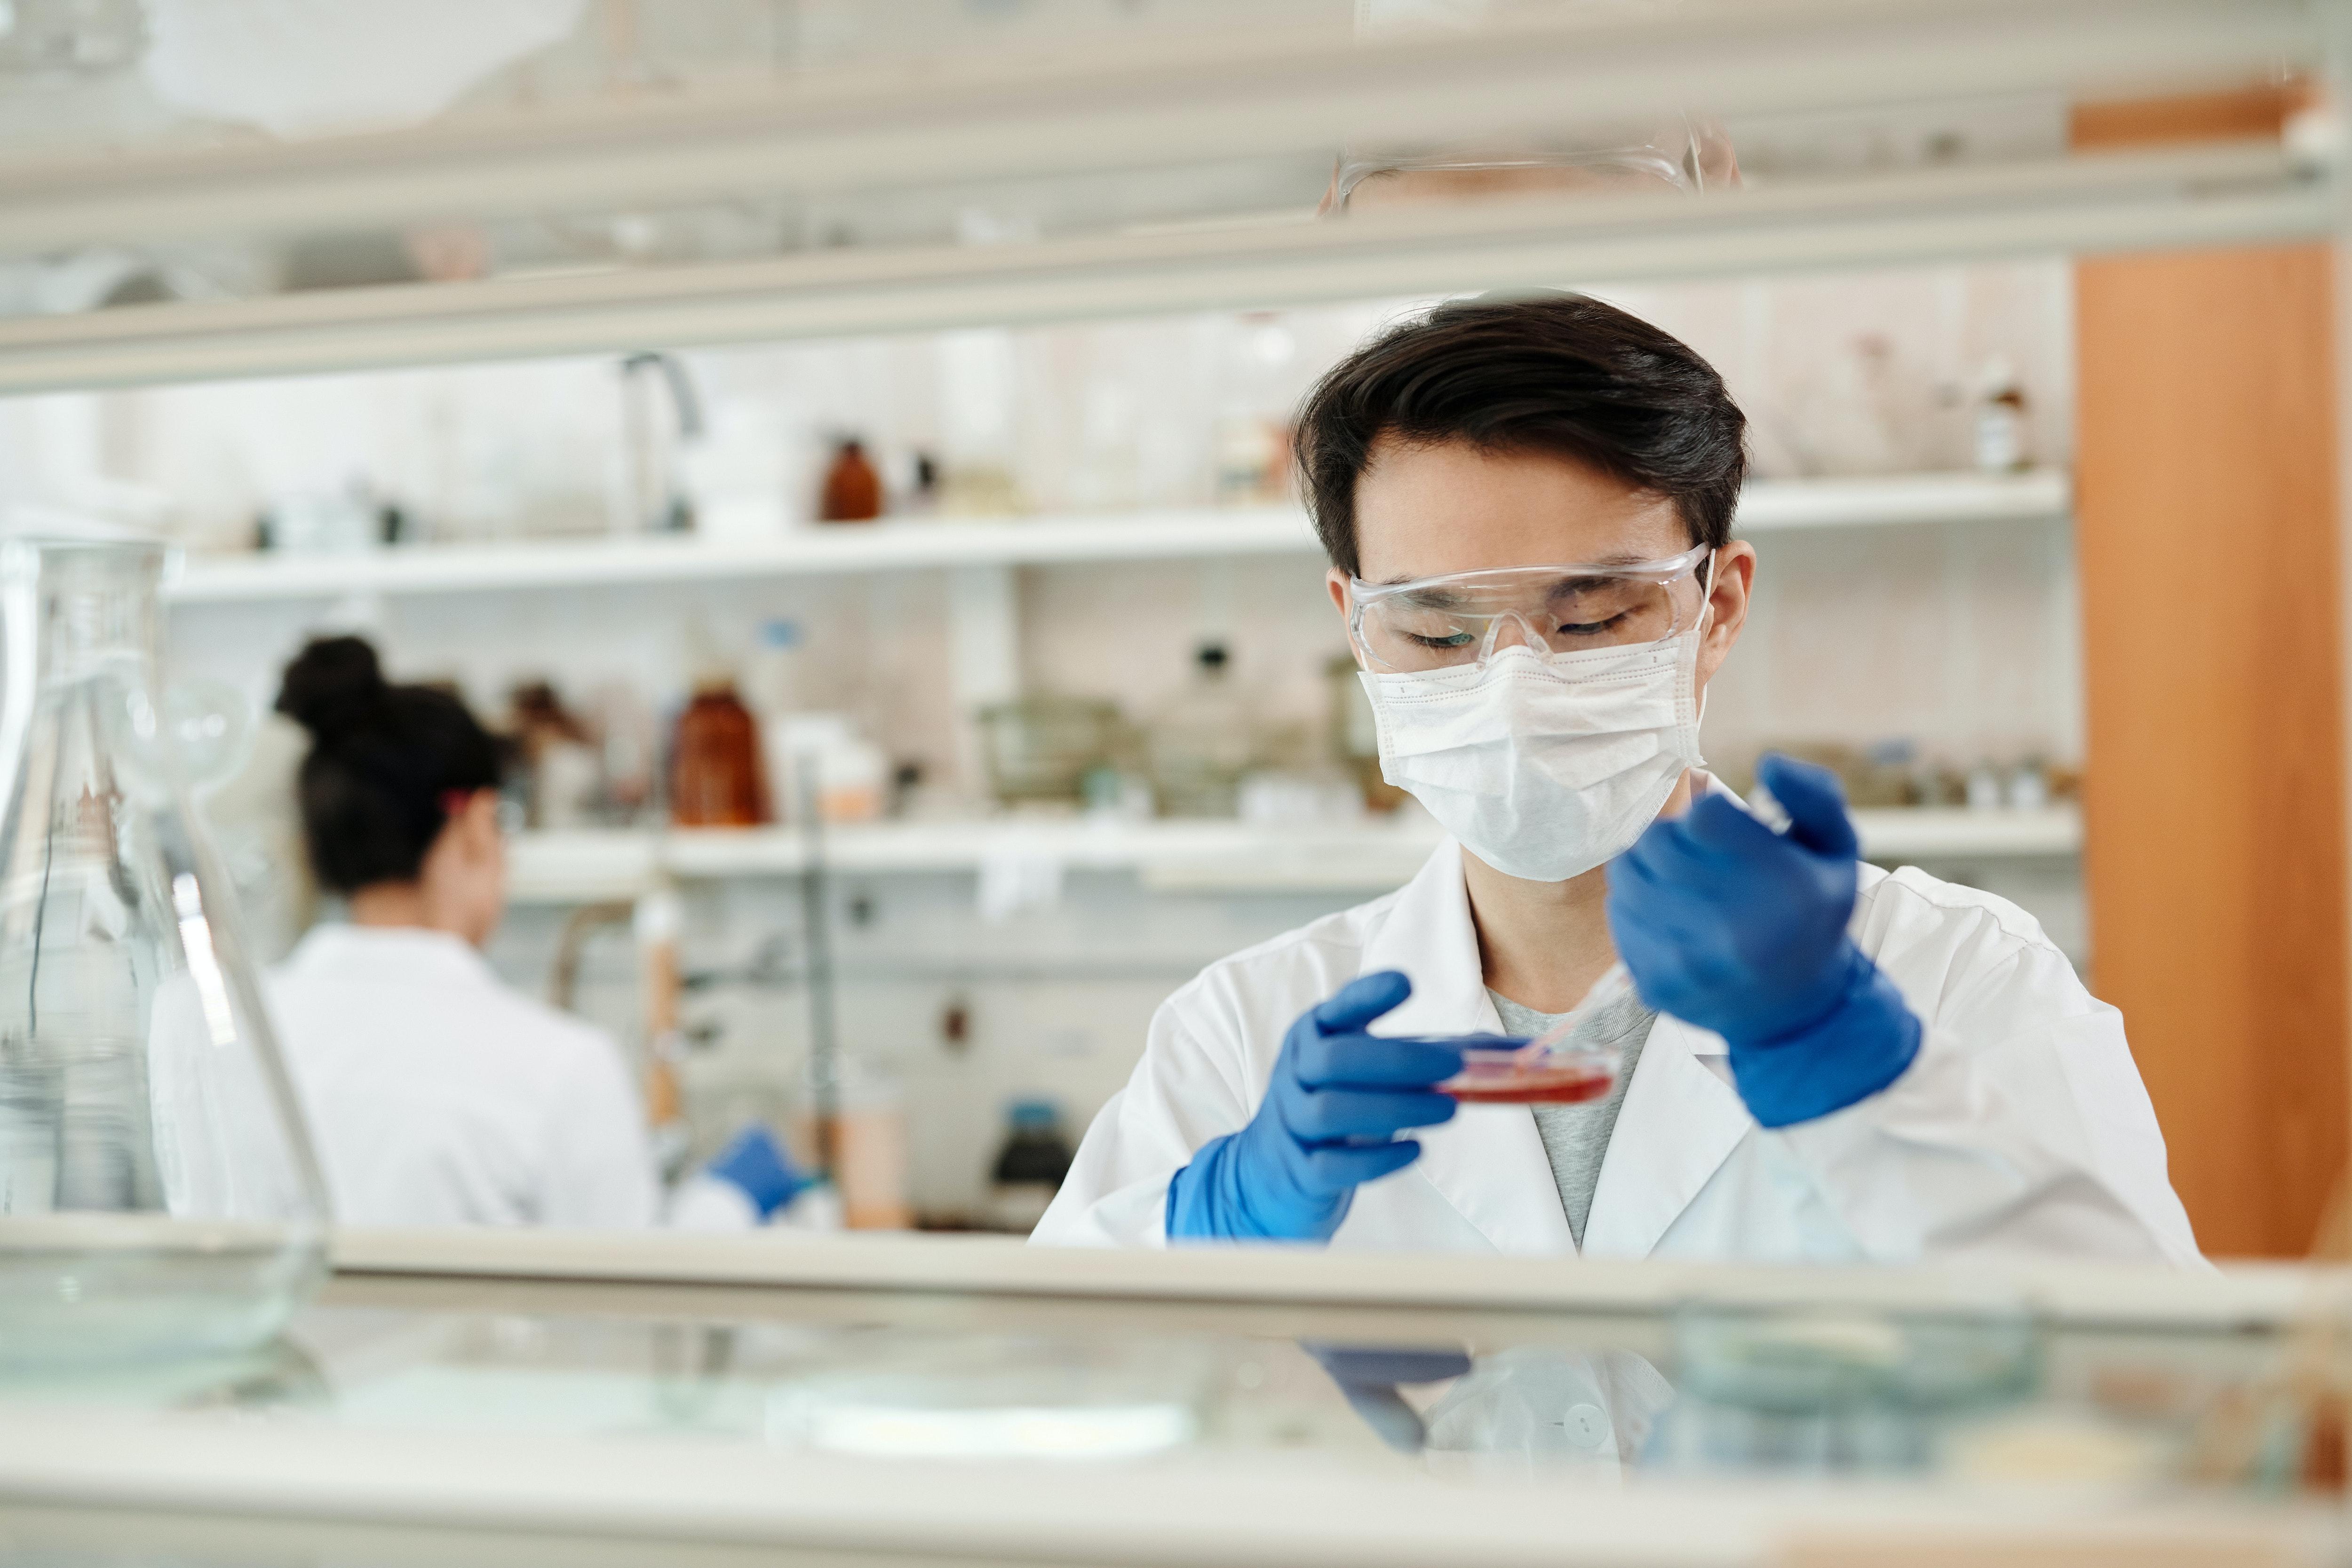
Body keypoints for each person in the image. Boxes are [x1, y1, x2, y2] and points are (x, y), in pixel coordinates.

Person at [1033, 293, 2200, 1264]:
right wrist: (1208, 1224)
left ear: (1718, 602)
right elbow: (1033, 1419)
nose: (1511, 689)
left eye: (1588, 618)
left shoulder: (1954, 977)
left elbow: (2168, 1397)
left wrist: (1857, 1078)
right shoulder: (1243, 1035)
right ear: (1352, 626)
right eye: (1438, 635)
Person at [265, 637, 799, 1229]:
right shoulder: (560, 1068)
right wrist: (724, 1205)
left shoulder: (212, 1031)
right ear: (474, 826)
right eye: (502, 827)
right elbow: (626, 1299)